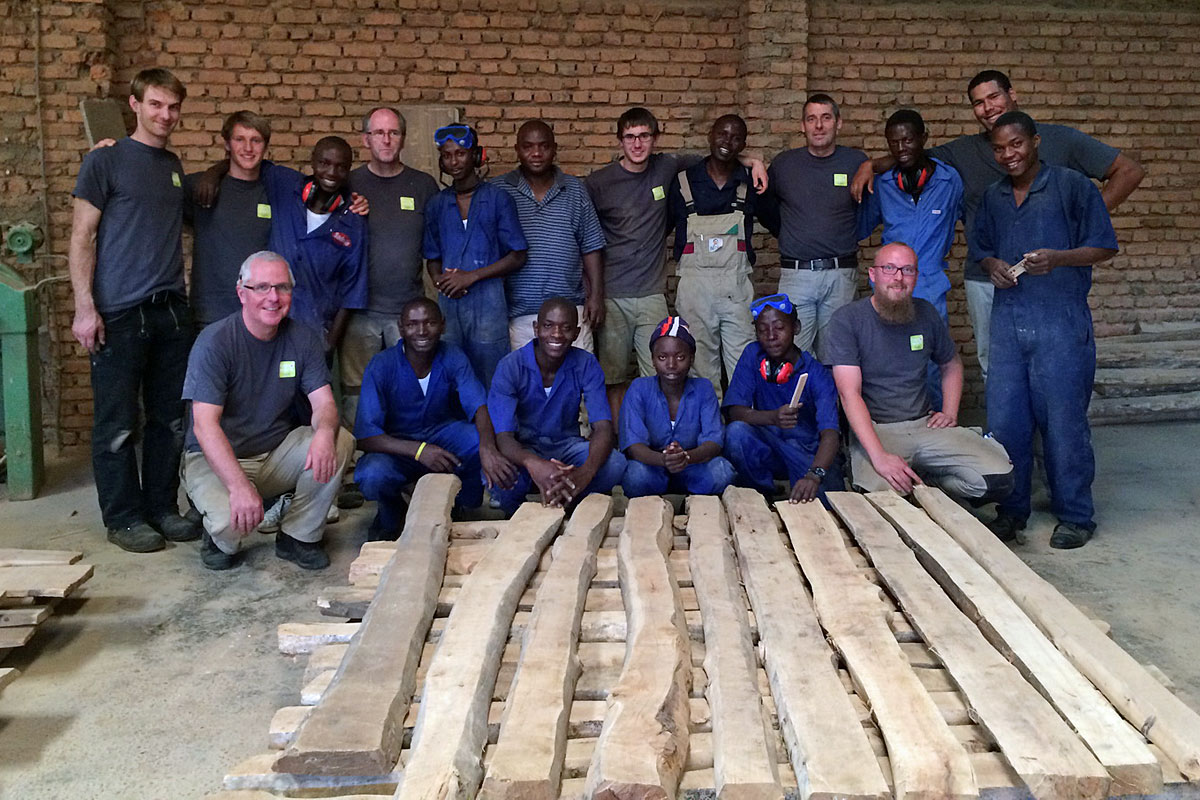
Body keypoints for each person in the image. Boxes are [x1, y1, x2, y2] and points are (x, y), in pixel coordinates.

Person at [853, 69, 1144, 378]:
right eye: (978, 103)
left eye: (994, 97)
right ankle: (1006, 427)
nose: (988, 107)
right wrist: (868, 166)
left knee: (1055, 366)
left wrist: (1085, 225)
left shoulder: (1061, 139)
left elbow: (1128, 171)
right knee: (997, 368)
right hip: (986, 277)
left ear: (1012, 94)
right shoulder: (963, 152)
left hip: (1050, 275)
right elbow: (910, 155)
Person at [971, 112, 1118, 549]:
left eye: (1016, 144)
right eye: (999, 148)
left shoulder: (1072, 187)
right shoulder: (994, 197)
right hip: (1009, 321)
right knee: (1006, 422)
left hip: (1060, 320)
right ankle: (1012, 511)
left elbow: (1104, 246)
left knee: (1064, 423)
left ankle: (1076, 515)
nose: (1008, 155)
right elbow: (980, 248)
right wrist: (992, 265)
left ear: (1035, 142)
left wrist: (1059, 258)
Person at [69, 68, 200, 553]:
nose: (165, 115)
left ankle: (162, 508)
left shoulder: (172, 165)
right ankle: (123, 518)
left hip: (170, 311)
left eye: (173, 107)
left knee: (168, 420)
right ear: (136, 105)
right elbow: (81, 236)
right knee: (118, 423)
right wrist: (86, 308)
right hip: (119, 313)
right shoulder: (105, 161)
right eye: (156, 105)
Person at [586, 107, 769, 421]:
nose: (637, 144)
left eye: (644, 136)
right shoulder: (599, 183)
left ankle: (676, 436)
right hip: (614, 293)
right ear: (619, 141)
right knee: (614, 376)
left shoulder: (668, 167)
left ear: (655, 139)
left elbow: (720, 153)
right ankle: (626, 439)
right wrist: (592, 293)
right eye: (630, 137)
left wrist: (754, 161)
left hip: (654, 293)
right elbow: (587, 239)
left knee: (664, 372)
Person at [182, 251, 355, 570]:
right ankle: (216, 531)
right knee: (231, 524)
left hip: (274, 453)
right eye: (261, 287)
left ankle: (298, 536)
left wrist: (325, 432)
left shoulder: (302, 338)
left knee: (339, 440)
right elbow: (204, 426)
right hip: (216, 460)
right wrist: (238, 487)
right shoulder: (215, 342)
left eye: (282, 287)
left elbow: (325, 404)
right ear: (241, 293)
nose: (273, 297)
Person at [826, 242, 1013, 503]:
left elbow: (951, 364)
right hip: (879, 430)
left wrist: (949, 412)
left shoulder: (925, 312)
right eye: (889, 268)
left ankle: (928, 483)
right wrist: (879, 457)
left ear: (916, 276)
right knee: (881, 501)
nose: (898, 278)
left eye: (908, 270)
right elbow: (849, 394)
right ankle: (904, 485)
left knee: (999, 479)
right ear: (873, 274)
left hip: (925, 424)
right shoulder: (848, 320)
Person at [354, 298, 516, 540]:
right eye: (412, 324)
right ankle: (392, 510)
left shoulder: (452, 356)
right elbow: (366, 436)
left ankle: (458, 504)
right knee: (372, 474)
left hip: (443, 436)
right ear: (400, 328)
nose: (421, 331)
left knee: (477, 441)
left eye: (429, 322)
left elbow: (479, 406)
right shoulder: (382, 365)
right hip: (397, 447)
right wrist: (419, 450)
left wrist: (487, 448)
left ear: (443, 325)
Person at [341, 107, 439, 426]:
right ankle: (357, 464)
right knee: (356, 393)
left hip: (408, 313)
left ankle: (405, 458)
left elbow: (438, 242)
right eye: (379, 133)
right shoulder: (347, 183)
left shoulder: (423, 185)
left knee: (408, 389)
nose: (386, 139)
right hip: (358, 311)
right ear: (365, 139)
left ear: (403, 139)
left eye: (393, 133)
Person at [487, 298, 626, 514]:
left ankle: (570, 501)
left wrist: (584, 474)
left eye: (566, 328)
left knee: (615, 464)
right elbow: (504, 437)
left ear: (577, 333)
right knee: (501, 476)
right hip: (525, 448)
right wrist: (534, 464)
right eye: (548, 326)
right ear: (536, 328)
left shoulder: (586, 363)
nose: (557, 334)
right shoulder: (511, 366)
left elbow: (603, 428)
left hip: (567, 447)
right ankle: (518, 514)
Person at [758, 94, 867, 361]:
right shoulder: (784, 164)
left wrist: (869, 166)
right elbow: (765, 208)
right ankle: (796, 405)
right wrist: (790, 234)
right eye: (811, 119)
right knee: (791, 352)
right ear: (803, 126)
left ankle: (830, 404)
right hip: (797, 274)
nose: (818, 126)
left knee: (836, 355)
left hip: (840, 273)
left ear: (838, 123)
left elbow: (869, 211)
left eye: (826, 118)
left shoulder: (855, 162)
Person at [424, 124, 527, 386]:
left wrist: (471, 277)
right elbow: (432, 258)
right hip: (450, 305)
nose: (454, 161)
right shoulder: (437, 204)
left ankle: (494, 428)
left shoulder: (497, 199)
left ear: (476, 156)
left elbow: (518, 255)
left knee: (492, 379)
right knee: (452, 377)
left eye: (461, 153)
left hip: (489, 305)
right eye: (447, 155)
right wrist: (441, 282)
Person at [668, 114, 759, 397]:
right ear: (710, 136)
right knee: (700, 367)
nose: (727, 142)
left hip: (736, 288)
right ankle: (710, 432)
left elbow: (782, 222)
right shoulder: (683, 182)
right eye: (722, 134)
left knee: (744, 362)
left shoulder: (750, 184)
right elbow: (661, 227)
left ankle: (745, 430)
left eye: (735, 137)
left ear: (743, 144)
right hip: (695, 290)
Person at [724, 294, 843, 504]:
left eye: (779, 327)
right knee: (736, 434)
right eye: (762, 330)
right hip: (768, 446)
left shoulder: (817, 374)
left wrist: (814, 475)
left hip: (805, 451)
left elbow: (831, 434)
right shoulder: (753, 354)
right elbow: (735, 412)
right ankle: (762, 493)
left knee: (828, 503)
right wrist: (772, 418)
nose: (771, 336)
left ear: (796, 327)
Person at [498, 120, 606, 352]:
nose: (536, 153)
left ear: (554, 149)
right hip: (519, 313)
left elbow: (591, 247)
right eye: (528, 147)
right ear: (517, 149)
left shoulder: (574, 189)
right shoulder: (499, 190)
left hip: (571, 311)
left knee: (577, 382)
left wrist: (596, 296)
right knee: (526, 383)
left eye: (543, 146)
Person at [264, 136, 368, 355]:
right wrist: (214, 174)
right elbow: (245, 160)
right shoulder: (282, 183)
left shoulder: (353, 220)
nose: (332, 173)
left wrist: (330, 343)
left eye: (341, 167)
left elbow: (352, 291)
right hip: (270, 324)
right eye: (324, 163)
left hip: (315, 332)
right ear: (312, 162)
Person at [858, 109, 963, 323]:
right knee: (890, 350)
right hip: (890, 288)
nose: (900, 149)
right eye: (894, 143)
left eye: (907, 140)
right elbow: (860, 227)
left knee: (932, 351)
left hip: (931, 288)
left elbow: (972, 218)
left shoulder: (949, 181)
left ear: (923, 138)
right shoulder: (883, 184)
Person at [619, 316, 735, 498]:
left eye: (680, 357)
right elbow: (634, 446)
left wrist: (686, 458)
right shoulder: (639, 388)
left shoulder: (703, 389)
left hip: (693, 466)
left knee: (722, 472)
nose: (671, 365)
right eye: (662, 357)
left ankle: (685, 500)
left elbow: (713, 442)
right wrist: (664, 460)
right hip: (653, 467)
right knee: (635, 475)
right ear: (652, 359)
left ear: (691, 358)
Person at [185, 111, 274, 331]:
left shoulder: (276, 188)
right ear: (227, 144)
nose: (248, 148)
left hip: (261, 315)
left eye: (256, 140)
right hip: (210, 316)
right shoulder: (200, 188)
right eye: (239, 140)